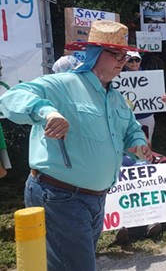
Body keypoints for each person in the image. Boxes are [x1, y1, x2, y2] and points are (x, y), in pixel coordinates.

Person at [0, 20, 151, 270]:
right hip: (59, 196)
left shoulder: (115, 97)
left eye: (124, 55)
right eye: (115, 54)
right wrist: (47, 111)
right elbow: (10, 98)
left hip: (95, 199)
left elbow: (131, 130)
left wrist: (137, 145)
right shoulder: (62, 84)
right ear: (93, 54)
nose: (122, 60)